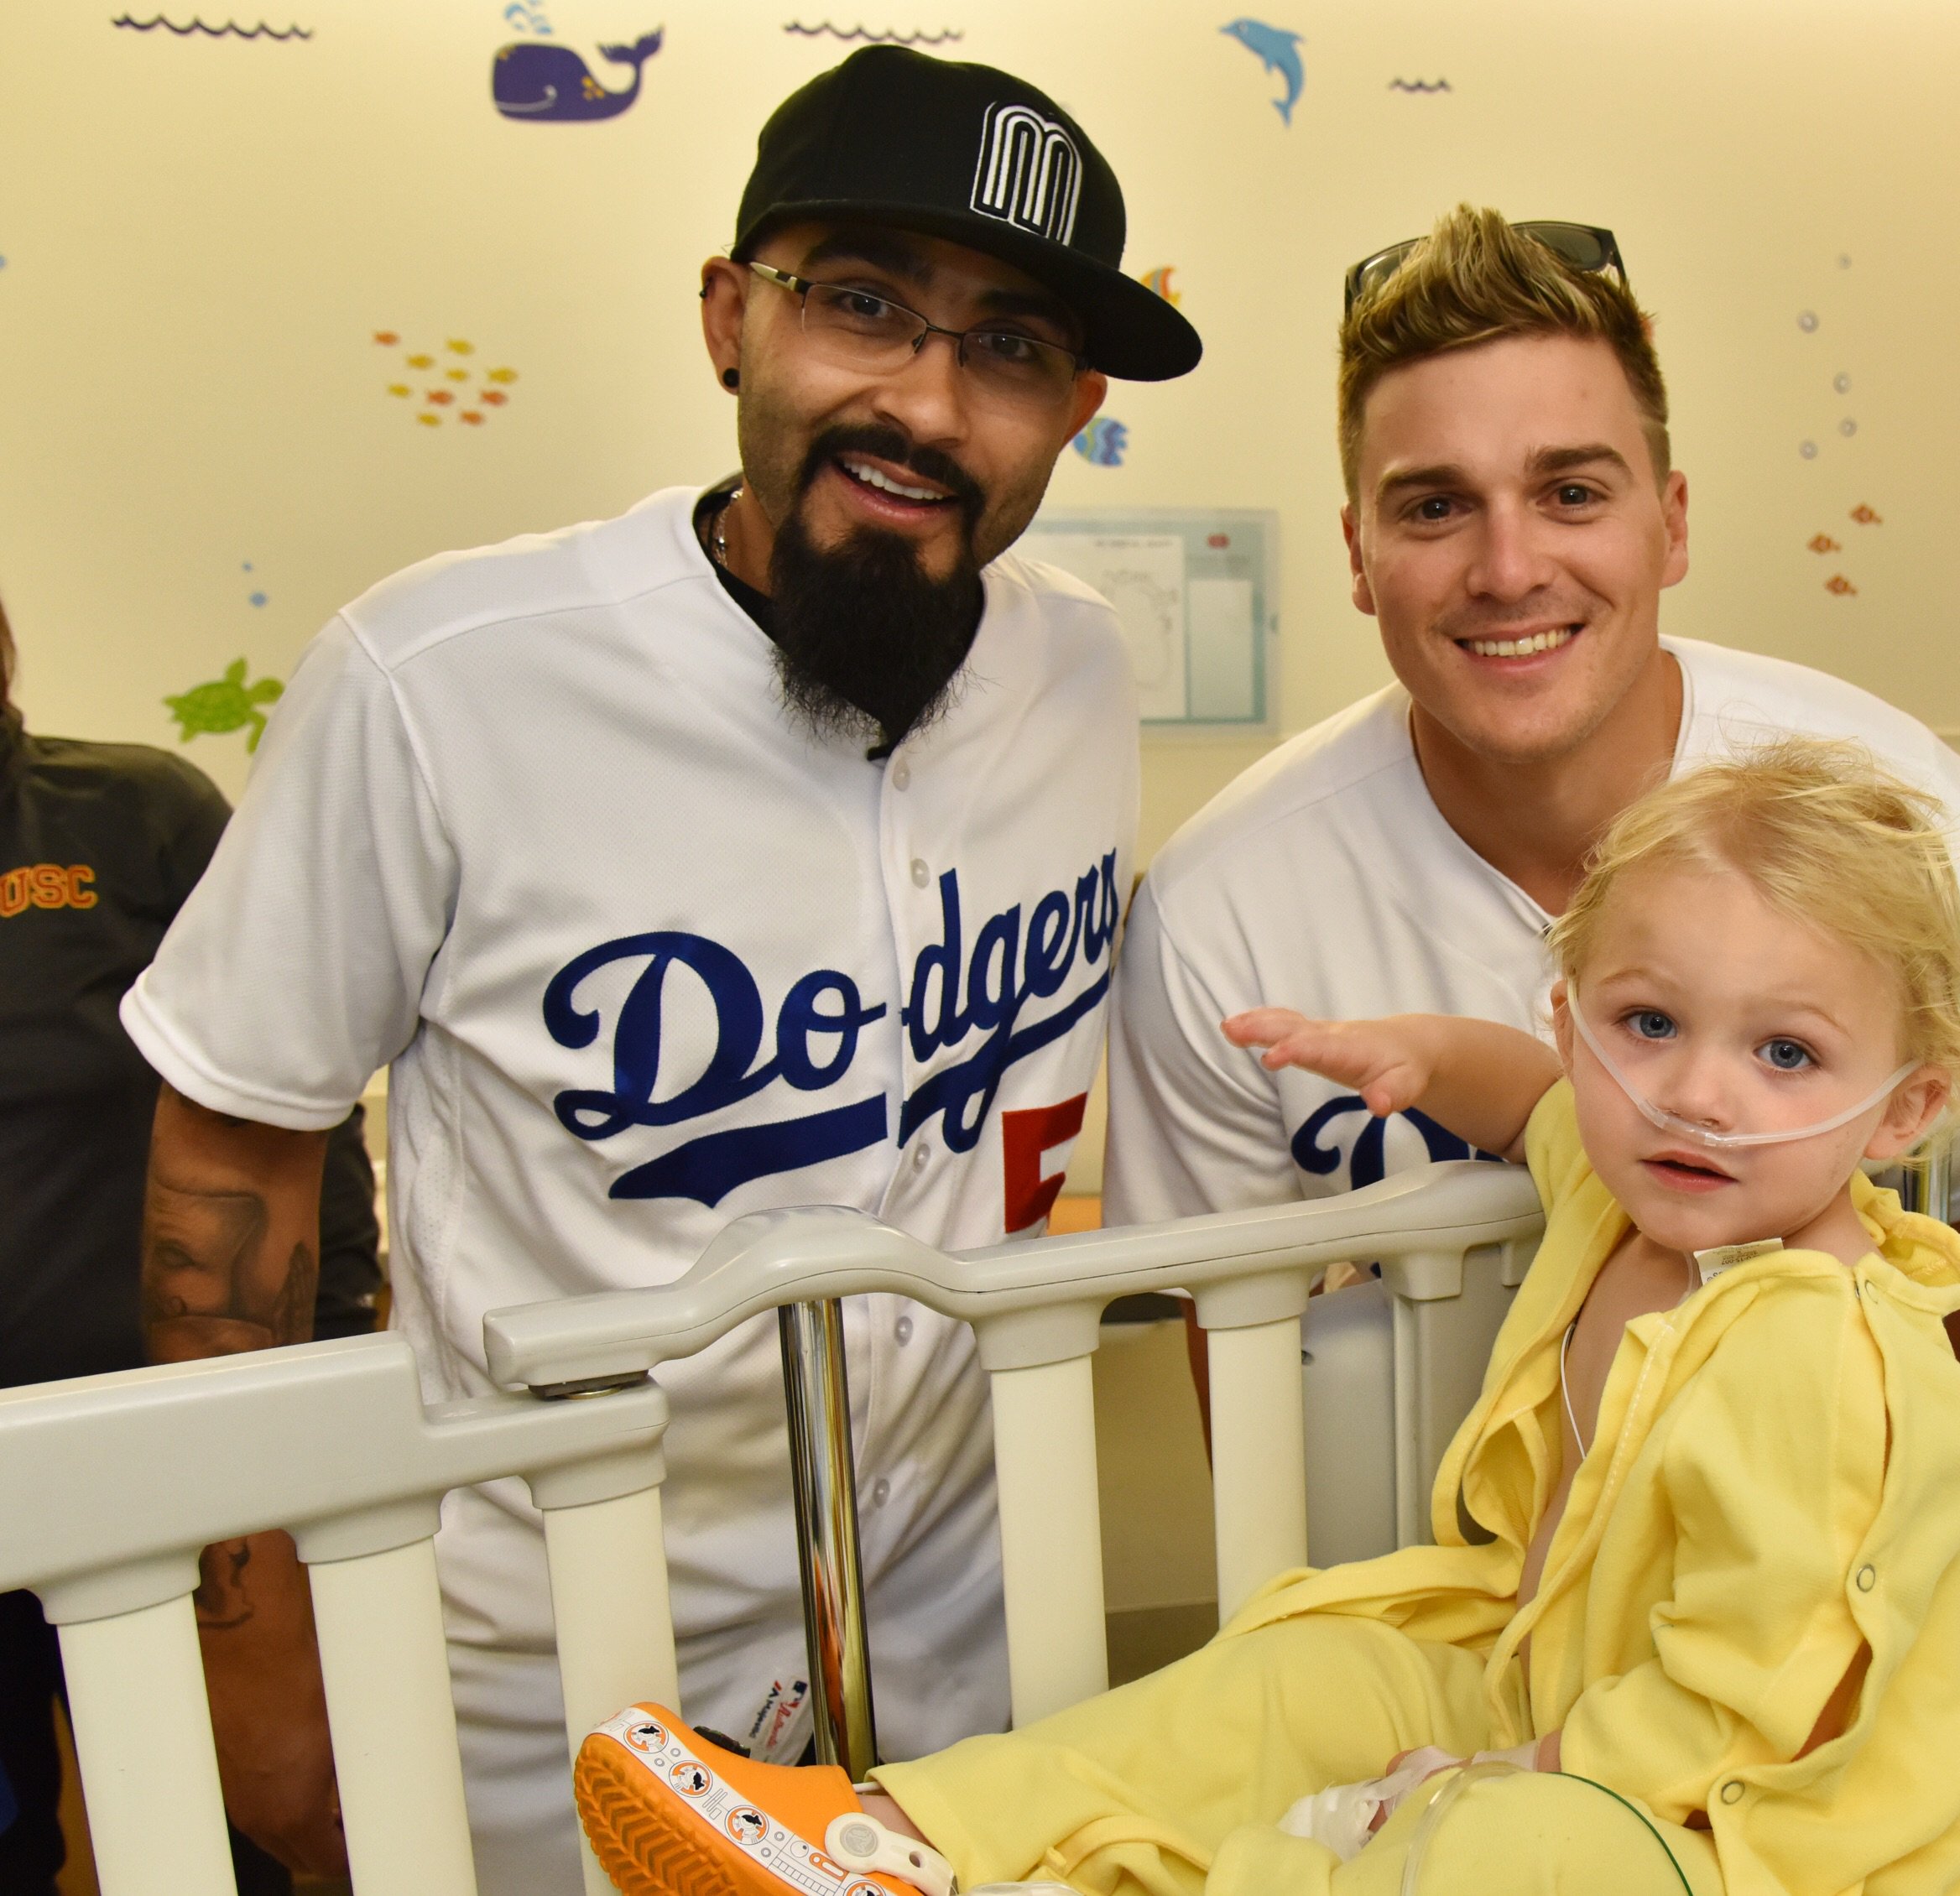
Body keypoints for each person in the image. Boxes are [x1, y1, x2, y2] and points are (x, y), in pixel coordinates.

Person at [116, 45, 1199, 1888]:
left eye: (1007, 347)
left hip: (957, 1643)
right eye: (859, 303)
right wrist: (264, 1664)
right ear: (728, 316)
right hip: (534, 1666)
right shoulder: (442, 677)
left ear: (1075, 405)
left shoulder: (1079, 668)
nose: (924, 402)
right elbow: (232, 1150)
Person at [570, 738, 1960, 1896]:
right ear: (1574, 1015)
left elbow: (1748, 1706)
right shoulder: (1641, 1185)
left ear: (1903, 1110)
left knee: (1499, 1860)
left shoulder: (1817, 1349)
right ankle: (888, 1833)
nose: (1694, 1091)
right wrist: (1418, 1057)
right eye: (1647, 1023)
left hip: (1749, 1820)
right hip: (1538, 1667)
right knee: (1295, 1675)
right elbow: (1539, 1105)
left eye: (1785, 1052)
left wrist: (1495, 1777)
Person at [1102, 208, 1960, 1382]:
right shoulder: (1219, 913)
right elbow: (1237, 1381)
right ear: (1358, 554)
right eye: (1434, 507)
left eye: (1572, 494)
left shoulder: (1909, 821)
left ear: (1672, 524)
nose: (1508, 572)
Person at [0, 592, 381, 1895]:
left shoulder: (133, 816)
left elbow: (285, 1109)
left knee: (246, 1817)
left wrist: (318, 1373)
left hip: (162, 1470)